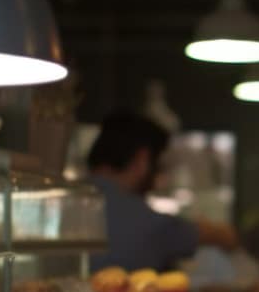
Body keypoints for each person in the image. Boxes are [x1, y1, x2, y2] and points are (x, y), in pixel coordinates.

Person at [86, 109, 238, 272]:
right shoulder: (150, 224)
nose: (159, 177)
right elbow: (227, 237)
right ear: (142, 160)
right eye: (159, 165)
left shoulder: (66, 204)